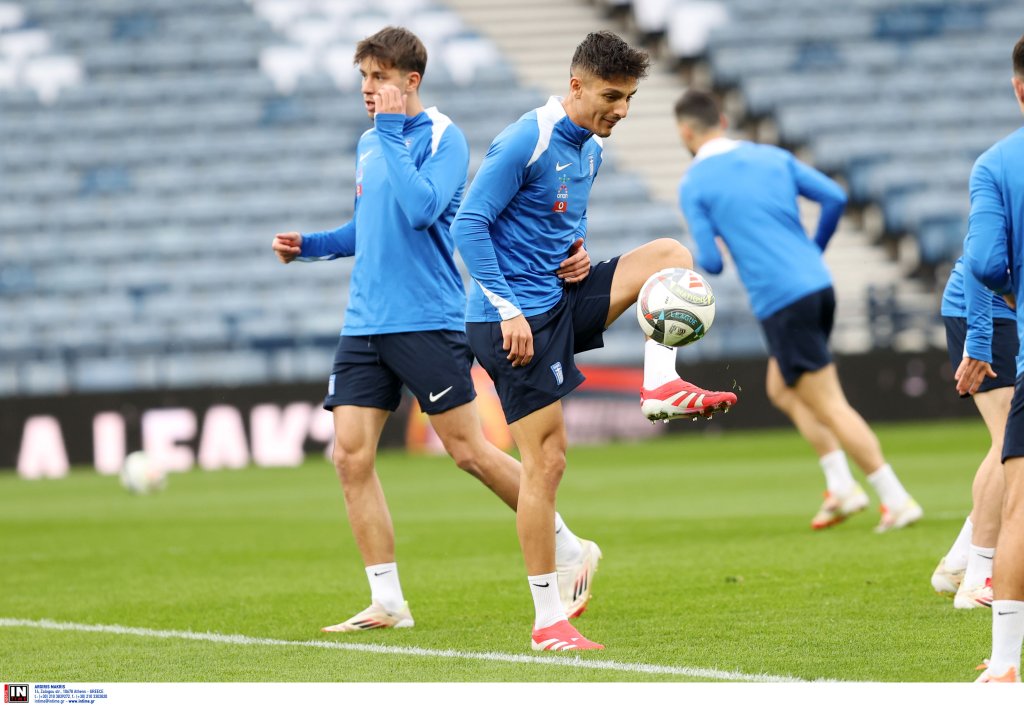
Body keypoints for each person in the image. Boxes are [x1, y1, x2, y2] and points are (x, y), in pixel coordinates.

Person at [271, 26, 600, 635]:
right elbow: (368, 226)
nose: (367, 88)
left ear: (410, 80)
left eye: (378, 77)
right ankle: (387, 601)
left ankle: (568, 544)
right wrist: (310, 246)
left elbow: (424, 210)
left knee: (468, 452)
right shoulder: (371, 142)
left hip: (428, 319)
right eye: (363, 78)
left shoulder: (443, 137)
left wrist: (392, 133)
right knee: (349, 457)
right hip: (365, 322)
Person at [451, 31, 737, 652]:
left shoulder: (592, 149)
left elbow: (560, 224)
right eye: (612, 96)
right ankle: (548, 619)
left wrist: (577, 253)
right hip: (510, 322)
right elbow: (469, 225)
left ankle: (660, 383)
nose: (622, 110)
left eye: (629, 98)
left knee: (671, 254)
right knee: (547, 462)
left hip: (558, 299)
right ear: (576, 85)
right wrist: (507, 309)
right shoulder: (527, 138)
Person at [673, 89, 922, 533]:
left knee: (829, 403)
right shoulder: (772, 156)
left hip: (781, 299)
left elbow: (710, 262)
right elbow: (835, 198)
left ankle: (895, 497)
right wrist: (813, 249)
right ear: (723, 122)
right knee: (783, 389)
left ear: (685, 132)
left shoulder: (694, 183)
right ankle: (841, 486)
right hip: (818, 286)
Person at [964, 31, 1024, 684]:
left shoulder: (997, 163)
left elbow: (982, 263)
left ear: (1018, 87)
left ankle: (1006, 663)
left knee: (1021, 508)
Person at [930, 256, 1015, 610]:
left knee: (1010, 440)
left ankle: (960, 563)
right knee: (1012, 442)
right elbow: (983, 258)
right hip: (988, 312)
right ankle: (978, 577)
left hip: (998, 311)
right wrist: (978, 340)